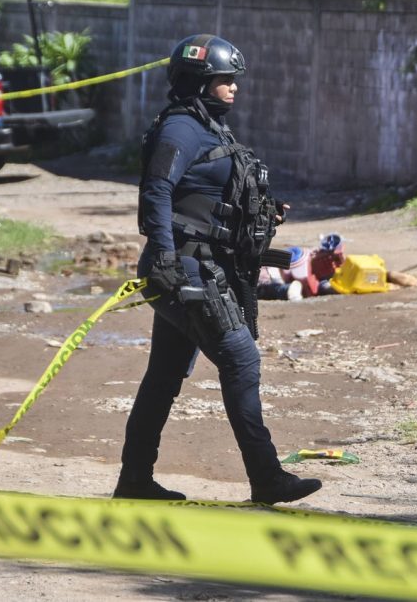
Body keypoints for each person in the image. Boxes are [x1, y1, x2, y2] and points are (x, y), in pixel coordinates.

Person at [113, 34, 322, 505]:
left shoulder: (209, 127)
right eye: (225, 80)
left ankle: (134, 481)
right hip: (185, 272)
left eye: (233, 80)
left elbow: (210, 196)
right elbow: (157, 193)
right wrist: (166, 258)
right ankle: (267, 478)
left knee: (163, 376)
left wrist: (262, 215)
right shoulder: (180, 130)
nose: (234, 88)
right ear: (199, 82)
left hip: (199, 267)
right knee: (241, 359)